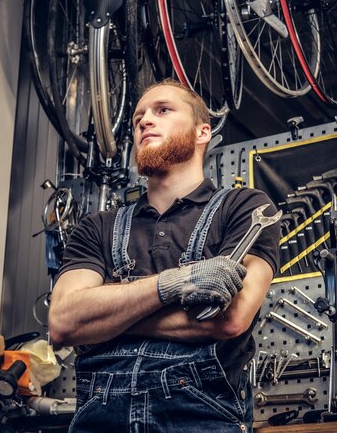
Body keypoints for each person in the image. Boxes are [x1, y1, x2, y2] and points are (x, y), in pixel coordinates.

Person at [49, 79, 280, 432]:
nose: (144, 121)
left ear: (202, 132)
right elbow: (64, 322)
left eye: (163, 110)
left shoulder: (244, 208)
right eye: (139, 116)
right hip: (100, 419)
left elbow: (230, 319)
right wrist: (173, 285)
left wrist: (108, 320)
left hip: (200, 415)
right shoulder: (97, 226)